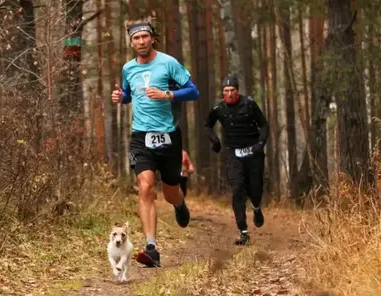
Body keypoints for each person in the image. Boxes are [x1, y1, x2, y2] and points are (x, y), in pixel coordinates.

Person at [111, 19, 199, 267]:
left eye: (144, 37)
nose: (141, 42)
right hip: (141, 136)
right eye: (136, 38)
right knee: (145, 186)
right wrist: (122, 97)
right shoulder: (128, 68)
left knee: (170, 192)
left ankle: (180, 204)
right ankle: (152, 248)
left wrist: (168, 94)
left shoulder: (168, 63)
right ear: (131, 42)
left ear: (152, 39)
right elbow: (130, 94)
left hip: (169, 136)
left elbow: (194, 91)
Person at [205, 75, 269, 245]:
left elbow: (263, 125)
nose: (230, 94)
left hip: (253, 152)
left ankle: (256, 207)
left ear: (237, 91)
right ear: (223, 93)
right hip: (233, 153)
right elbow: (208, 125)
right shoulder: (219, 108)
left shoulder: (249, 104)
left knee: (255, 189)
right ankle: (243, 231)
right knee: (238, 188)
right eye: (226, 91)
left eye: (232, 90)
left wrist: (261, 144)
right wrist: (215, 140)